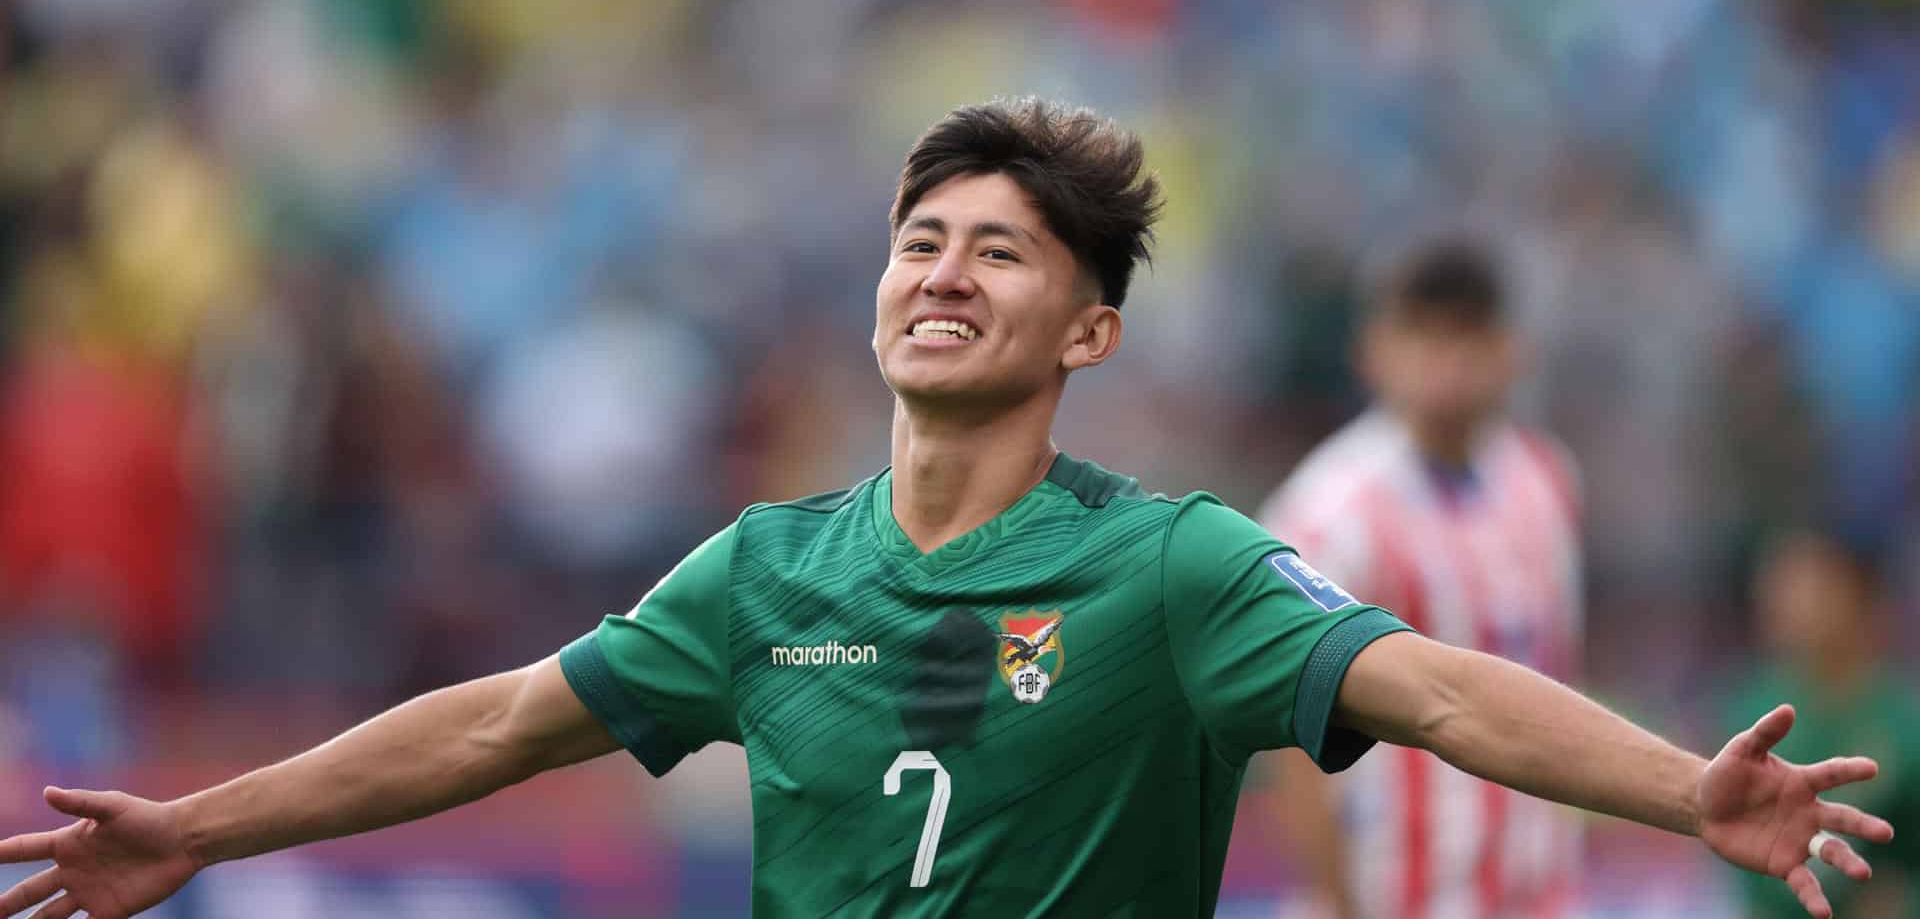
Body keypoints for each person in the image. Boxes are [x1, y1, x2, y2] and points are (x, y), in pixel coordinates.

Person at [0, 100, 1895, 919]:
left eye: (1000, 249)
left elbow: (1447, 694)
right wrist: (203, 829)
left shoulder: (1179, 567)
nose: (943, 273)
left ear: (1093, 325)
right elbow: (497, 723)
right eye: (921, 240)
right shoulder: (765, 571)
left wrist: (1681, 789)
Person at [1255, 240, 1585, 918]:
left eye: (1467, 335)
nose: (1446, 362)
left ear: (1509, 350)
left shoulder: (1544, 482)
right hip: (1400, 897)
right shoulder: (1327, 513)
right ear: (1373, 350)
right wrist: (1339, 899)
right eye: (1423, 335)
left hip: (1541, 892)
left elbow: (1560, 672)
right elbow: (1290, 737)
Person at [1722, 530, 1920, 918]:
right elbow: (1740, 852)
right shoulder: (1752, 717)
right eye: (1780, 590)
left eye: (1810, 589)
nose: (1792, 606)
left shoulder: (1903, 723)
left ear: (1855, 596)